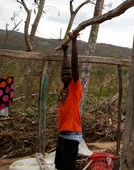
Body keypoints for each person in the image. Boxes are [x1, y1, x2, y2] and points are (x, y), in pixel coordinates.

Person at [55, 32, 83, 170]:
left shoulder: (74, 87)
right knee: (58, 166)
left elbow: (73, 65)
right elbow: (65, 67)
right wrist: (65, 52)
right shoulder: (64, 90)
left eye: (68, 74)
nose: (65, 75)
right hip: (62, 135)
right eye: (63, 74)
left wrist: (74, 41)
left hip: (71, 136)